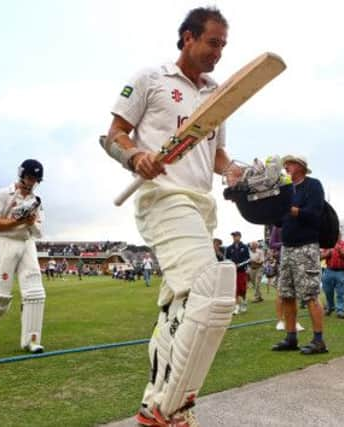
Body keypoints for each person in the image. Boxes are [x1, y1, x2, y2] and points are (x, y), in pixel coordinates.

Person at [102, 7, 243, 425]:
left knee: (177, 305)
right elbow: (112, 136)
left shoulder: (218, 95)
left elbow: (216, 154)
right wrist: (135, 156)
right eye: (212, 42)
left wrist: (234, 172)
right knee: (212, 286)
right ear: (187, 37)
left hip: (201, 205)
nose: (218, 53)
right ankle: (172, 409)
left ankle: (154, 402)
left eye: (223, 46)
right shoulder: (151, 79)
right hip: (161, 197)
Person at [0, 159, 46, 354]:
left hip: (27, 244)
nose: (32, 182)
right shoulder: (4, 194)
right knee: (1, 297)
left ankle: (31, 341)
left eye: (36, 179)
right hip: (6, 243)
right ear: (22, 175)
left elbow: (39, 233)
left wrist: (30, 222)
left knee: (35, 294)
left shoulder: (36, 201)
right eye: (30, 177)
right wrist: (17, 222)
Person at [272, 155, 327, 355]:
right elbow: (279, 222)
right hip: (287, 247)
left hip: (306, 246)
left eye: (290, 164)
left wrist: (290, 209)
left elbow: (314, 214)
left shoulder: (313, 185)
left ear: (301, 167)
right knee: (286, 294)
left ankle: (319, 340)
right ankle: (291, 337)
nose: (286, 166)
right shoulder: (285, 190)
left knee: (310, 294)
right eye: (285, 164)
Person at [321, 234, 344, 318]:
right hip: (328, 271)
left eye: (338, 235)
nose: (336, 237)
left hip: (341, 272)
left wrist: (341, 252)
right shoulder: (327, 245)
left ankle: (340, 311)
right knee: (328, 291)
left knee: (341, 293)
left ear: (340, 236)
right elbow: (320, 257)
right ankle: (330, 307)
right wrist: (327, 253)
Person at [225, 231, 251, 314]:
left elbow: (248, 259)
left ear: (240, 237)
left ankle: (243, 303)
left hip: (242, 271)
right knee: (234, 289)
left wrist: (239, 265)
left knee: (242, 289)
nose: (234, 237)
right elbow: (226, 259)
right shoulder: (229, 248)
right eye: (233, 236)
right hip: (233, 272)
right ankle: (236, 307)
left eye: (236, 236)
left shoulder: (245, 247)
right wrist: (231, 264)